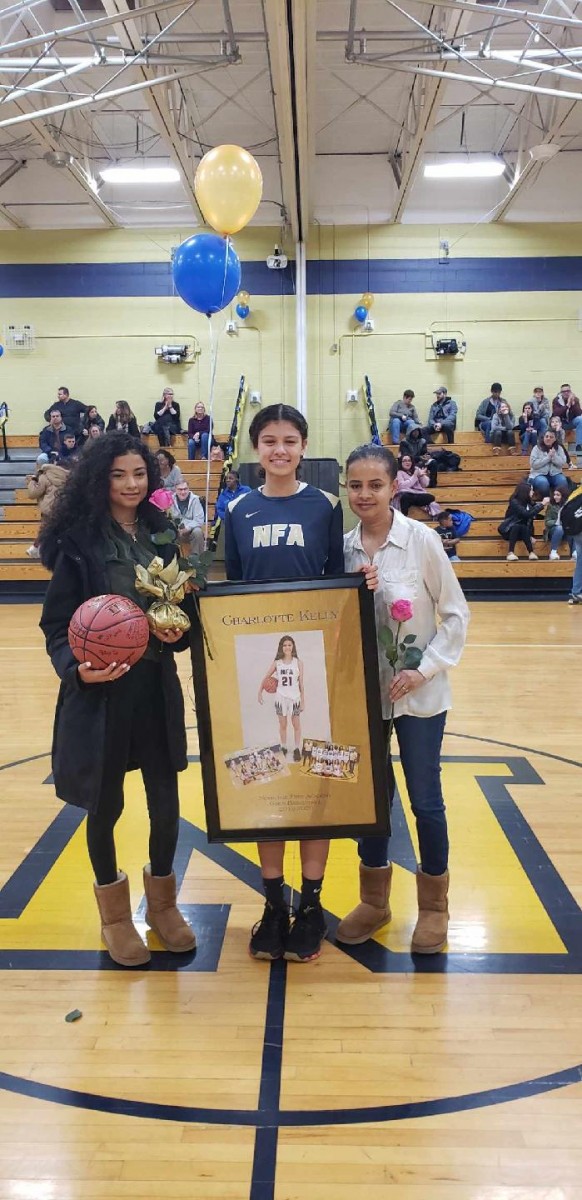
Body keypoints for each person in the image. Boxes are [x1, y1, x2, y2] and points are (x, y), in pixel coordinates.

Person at [38, 432, 196, 968]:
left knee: (166, 801)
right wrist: (77, 670)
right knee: (105, 806)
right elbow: (56, 626)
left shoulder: (162, 535)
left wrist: (182, 631)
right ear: (99, 479)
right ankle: (115, 917)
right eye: (119, 475)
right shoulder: (81, 541)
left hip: (154, 687)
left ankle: (164, 907)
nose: (131, 484)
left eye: (139, 475)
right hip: (102, 695)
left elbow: (185, 615)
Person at [224, 403, 346, 964]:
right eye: (269, 440)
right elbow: (229, 588)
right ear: (256, 449)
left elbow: (338, 581)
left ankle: (313, 904)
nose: (279, 450)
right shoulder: (239, 509)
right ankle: (274, 903)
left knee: (314, 777)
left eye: (290, 440)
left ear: (303, 447)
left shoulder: (325, 507)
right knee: (268, 779)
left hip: (316, 660)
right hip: (257, 663)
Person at [337, 444, 469, 953]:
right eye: (355, 485)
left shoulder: (423, 542)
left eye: (375, 484)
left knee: (424, 798)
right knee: (371, 801)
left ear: (395, 487)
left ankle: (435, 905)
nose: (364, 494)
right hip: (364, 696)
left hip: (419, 693)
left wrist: (423, 670)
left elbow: (455, 614)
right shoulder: (343, 548)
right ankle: (375, 900)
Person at [258, 636, 304, 763]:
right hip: (280, 698)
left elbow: (301, 684)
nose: (287, 647)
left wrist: (303, 701)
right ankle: (283, 747)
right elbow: (266, 677)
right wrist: (259, 692)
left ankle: (296, 749)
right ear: (281, 647)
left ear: (293, 646)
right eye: (285, 645)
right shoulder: (277, 663)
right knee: (283, 724)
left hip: (295, 698)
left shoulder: (298, 662)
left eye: (289, 645)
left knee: (296, 724)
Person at [25, 461, 69, 558]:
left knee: (46, 530)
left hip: (48, 509)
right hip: (63, 509)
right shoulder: (68, 477)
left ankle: (36, 549)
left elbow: (33, 493)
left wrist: (32, 480)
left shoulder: (45, 476)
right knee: (54, 531)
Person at [498, 480, 550, 560]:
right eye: (531, 490)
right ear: (525, 491)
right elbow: (526, 514)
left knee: (523, 527)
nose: (533, 492)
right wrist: (542, 504)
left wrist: (531, 535)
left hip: (523, 532)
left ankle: (531, 553)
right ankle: (510, 552)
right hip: (509, 530)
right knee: (517, 526)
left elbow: (532, 516)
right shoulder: (514, 502)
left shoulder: (529, 503)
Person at [393, 453, 440, 517]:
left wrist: (421, 476)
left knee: (431, 497)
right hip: (405, 495)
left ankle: (419, 504)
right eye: (404, 461)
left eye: (409, 460)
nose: (407, 462)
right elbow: (402, 486)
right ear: (401, 462)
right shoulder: (399, 472)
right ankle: (404, 516)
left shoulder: (416, 469)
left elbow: (425, 484)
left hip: (417, 494)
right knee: (405, 497)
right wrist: (415, 476)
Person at [529, 429, 569, 496]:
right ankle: (546, 501)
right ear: (543, 437)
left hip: (555, 474)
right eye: (546, 436)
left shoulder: (559, 448)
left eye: (551, 437)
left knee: (562, 481)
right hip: (538, 474)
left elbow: (562, 463)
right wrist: (548, 458)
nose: (548, 438)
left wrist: (554, 457)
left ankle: (560, 502)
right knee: (543, 483)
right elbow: (533, 464)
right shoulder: (536, 448)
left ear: (555, 439)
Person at [171, 479, 205, 556]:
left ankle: (196, 560)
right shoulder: (170, 499)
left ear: (188, 489)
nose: (183, 492)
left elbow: (199, 519)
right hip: (175, 531)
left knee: (198, 532)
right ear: (175, 490)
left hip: (191, 531)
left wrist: (188, 528)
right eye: (180, 489)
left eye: (185, 489)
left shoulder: (195, 500)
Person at [545, 483, 575, 560]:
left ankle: (574, 552)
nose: (555, 497)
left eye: (558, 495)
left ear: (563, 496)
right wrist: (557, 522)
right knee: (560, 528)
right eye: (554, 494)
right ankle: (553, 552)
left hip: (567, 530)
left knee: (573, 529)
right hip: (553, 530)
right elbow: (547, 521)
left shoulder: (569, 505)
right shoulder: (551, 505)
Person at [552, 384, 582, 459]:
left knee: (580, 420)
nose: (566, 393)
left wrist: (573, 403)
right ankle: (558, 450)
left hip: (572, 422)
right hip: (561, 423)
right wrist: (567, 405)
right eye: (563, 391)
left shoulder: (575, 399)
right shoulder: (556, 400)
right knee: (555, 423)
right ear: (561, 392)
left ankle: (579, 446)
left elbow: (578, 413)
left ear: (570, 392)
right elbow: (556, 413)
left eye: (567, 391)